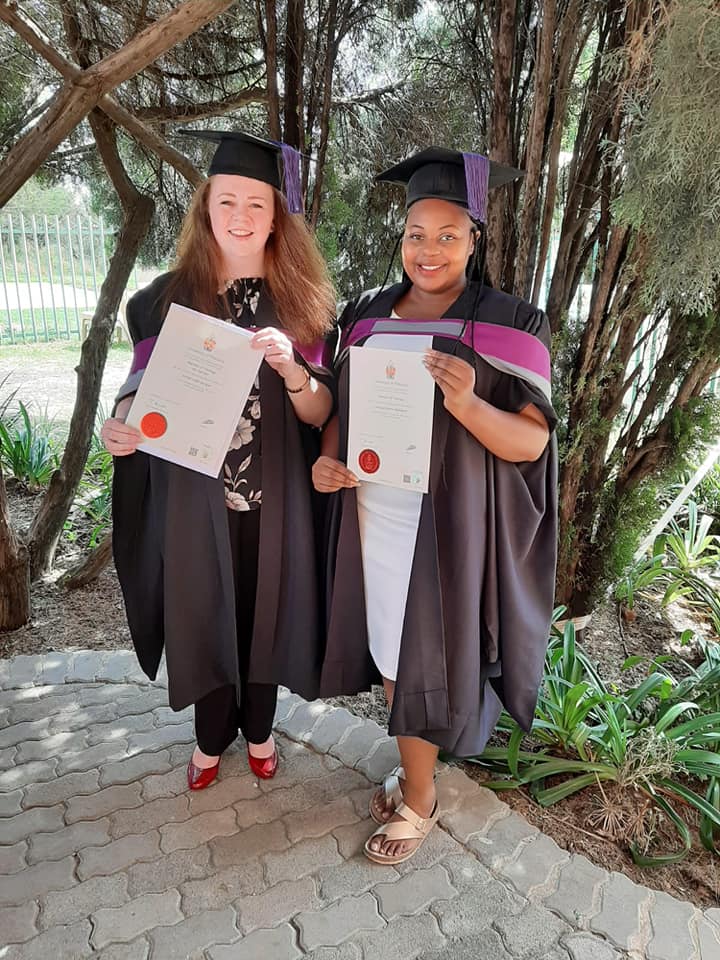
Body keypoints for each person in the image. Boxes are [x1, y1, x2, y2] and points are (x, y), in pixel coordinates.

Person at [313, 148, 557, 864]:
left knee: (421, 653)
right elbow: (339, 409)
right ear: (402, 236)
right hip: (371, 516)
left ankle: (420, 795)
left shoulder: (512, 325)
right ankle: (415, 770)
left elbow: (529, 446)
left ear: (475, 238)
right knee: (393, 649)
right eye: (417, 232)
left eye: (449, 234)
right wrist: (328, 457)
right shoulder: (362, 317)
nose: (429, 249)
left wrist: (468, 402)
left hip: (450, 525)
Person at [101, 130, 335, 791]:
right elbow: (137, 394)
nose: (238, 217)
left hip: (277, 497)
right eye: (225, 201)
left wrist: (292, 368)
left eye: (256, 205)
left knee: (267, 615)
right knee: (204, 612)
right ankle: (209, 739)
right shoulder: (162, 300)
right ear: (205, 208)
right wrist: (120, 430)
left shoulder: (303, 303)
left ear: (276, 217)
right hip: (194, 494)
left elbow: (319, 413)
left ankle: (259, 730)